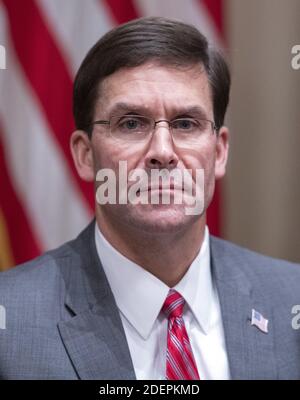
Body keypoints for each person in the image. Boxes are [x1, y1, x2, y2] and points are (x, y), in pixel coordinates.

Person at [0, 17, 300, 380]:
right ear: (84, 155)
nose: (162, 151)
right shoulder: (10, 322)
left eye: (186, 124)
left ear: (219, 152)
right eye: (131, 123)